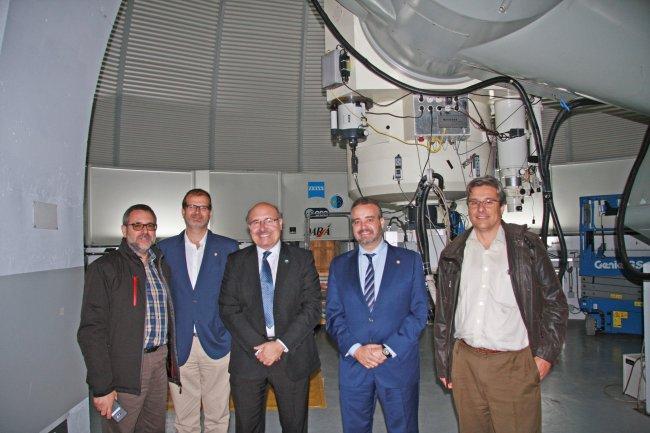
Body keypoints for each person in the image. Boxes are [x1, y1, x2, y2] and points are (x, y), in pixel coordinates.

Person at [434, 175, 568, 433]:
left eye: (488, 202)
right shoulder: (453, 252)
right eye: (474, 203)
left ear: (502, 206)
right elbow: (444, 314)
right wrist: (444, 361)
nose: (480, 209)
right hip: (466, 362)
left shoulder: (526, 246)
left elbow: (555, 302)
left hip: (512, 364)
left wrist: (546, 355)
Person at [326, 197, 428, 433]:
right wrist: (356, 349)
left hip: (397, 364)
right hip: (354, 365)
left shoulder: (410, 262)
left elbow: (419, 313)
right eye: (357, 222)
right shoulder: (339, 265)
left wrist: (386, 350)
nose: (363, 226)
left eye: (369, 219)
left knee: (403, 428)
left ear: (381, 222)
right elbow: (333, 315)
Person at [219, 202, 321, 433]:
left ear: (281, 223)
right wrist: (260, 346)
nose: (262, 227)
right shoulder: (235, 261)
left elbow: (312, 308)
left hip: (291, 355)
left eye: (269, 220)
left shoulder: (302, 259)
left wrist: (280, 345)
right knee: (247, 427)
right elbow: (228, 308)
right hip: (249, 356)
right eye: (255, 222)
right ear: (248, 227)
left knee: (295, 426)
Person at [78, 204, 180, 433]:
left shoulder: (161, 266)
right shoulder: (105, 268)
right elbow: (90, 331)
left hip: (158, 362)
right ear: (124, 230)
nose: (145, 231)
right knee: (121, 427)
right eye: (137, 225)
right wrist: (102, 387)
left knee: (153, 427)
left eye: (150, 226)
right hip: (125, 366)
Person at [158, 189, 238, 433]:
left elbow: (237, 295)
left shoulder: (228, 248)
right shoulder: (163, 249)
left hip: (217, 342)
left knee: (218, 415)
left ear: (210, 213)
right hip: (180, 345)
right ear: (183, 211)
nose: (197, 212)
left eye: (203, 207)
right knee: (185, 418)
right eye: (192, 206)